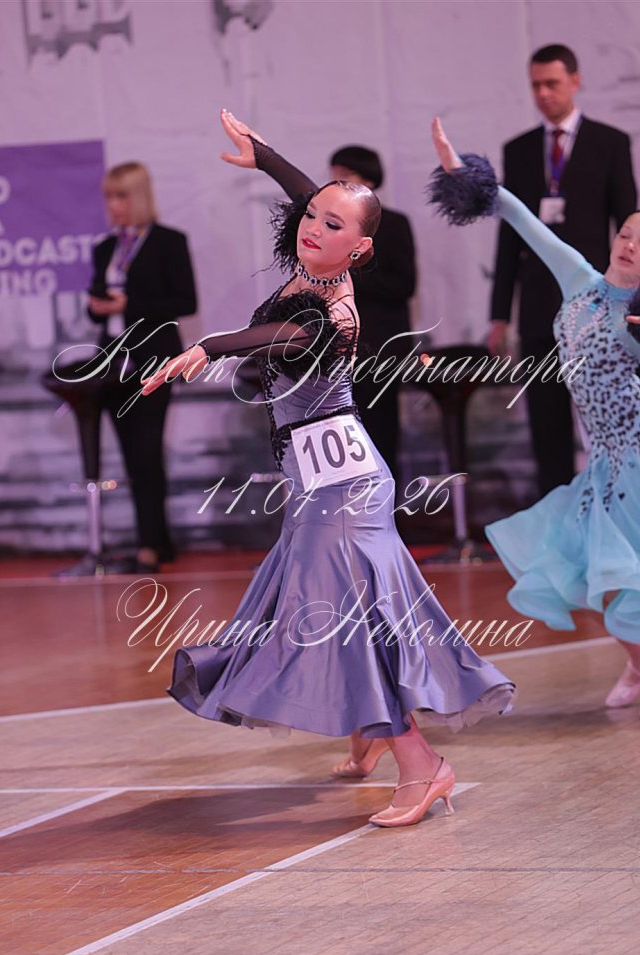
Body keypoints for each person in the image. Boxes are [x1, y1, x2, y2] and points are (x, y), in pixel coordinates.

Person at [141, 110, 515, 828]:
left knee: (345, 622)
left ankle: (423, 765)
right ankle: (367, 734)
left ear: (361, 248)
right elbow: (321, 201)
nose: (313, 228)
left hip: (344, 489)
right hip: (320, 482)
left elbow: (283, 336)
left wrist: (210, 345)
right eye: (311, 216)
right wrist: (264, 156)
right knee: (325, 614)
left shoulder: (332, 313)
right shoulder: (318, 256)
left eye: (332, 225)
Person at [429, 116, 640, 716]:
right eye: (627, 234)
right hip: (605, 462)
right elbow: (521, 218)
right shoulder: (579, 278)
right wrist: (463, 174)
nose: (630, 245)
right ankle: (639, 662)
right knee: (596, 576)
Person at [488, 44, 637, 497]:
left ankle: (618, 504)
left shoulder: (610, 142)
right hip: (538, 305)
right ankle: (558, 511)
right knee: (546, 419)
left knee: (606, 413)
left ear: (575, 81)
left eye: (552, 83)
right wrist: (500, 315)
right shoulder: (518, 150)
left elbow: (627, 224)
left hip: (595, 303)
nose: (543, 94)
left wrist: (632, 296)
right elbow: (509, 237)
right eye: (535, 85)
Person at [87, 162, 197, 571]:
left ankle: (149, 546)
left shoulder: (169, 242)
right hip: (112, 364)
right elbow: (98, 306)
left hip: (153, 361)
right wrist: (98, 307)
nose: (113, 205)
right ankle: (157, 540)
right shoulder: (105, 247)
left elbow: (185, 302)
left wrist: (129, 304)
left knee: (147, 452)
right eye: (108, 197)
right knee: (133, 458)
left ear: (138, 197)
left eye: (121, 196)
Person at [329, 146, 417, 484]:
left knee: (380, 431)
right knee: (343, 435)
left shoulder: (393, 224)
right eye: (334, 175)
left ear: (368, 180)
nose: (336, 183)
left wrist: (350, 271)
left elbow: (404, 285)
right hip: (337, 345)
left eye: (344, 175)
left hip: (380, 345)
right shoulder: (330, 227)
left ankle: (386, 505)